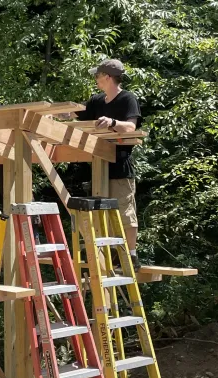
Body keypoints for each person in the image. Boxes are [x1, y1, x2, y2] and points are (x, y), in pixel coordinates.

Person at [74, 59, 143, 268]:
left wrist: (113, 123)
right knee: (101, 214)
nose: (95, 80)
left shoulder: (127, 99)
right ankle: (111, 254)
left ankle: (131, 255)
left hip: (119, 164)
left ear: (108, 77)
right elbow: (77, 114)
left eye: (97, 76)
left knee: (124, 212)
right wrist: (60, 113)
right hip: (99, 165)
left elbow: (131, 128)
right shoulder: (96, 101)